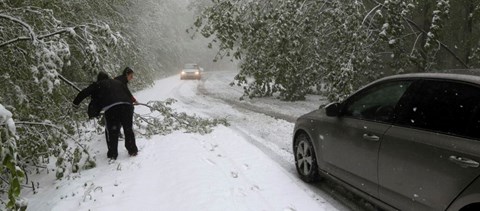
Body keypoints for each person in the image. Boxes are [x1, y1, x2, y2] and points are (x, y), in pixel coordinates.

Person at [73, 72, 139, 160]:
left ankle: (113, 154)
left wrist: (75, 103)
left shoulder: (97, 84)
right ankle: (132, 150)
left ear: (99, 79)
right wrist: (132, 101)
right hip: (126, 106)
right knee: (128, 129)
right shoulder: (117, 82)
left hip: (112, 109)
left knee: (112, 131)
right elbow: (128, 92)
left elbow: (84, 92)